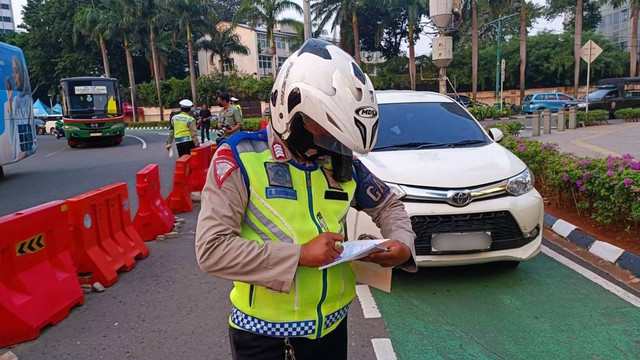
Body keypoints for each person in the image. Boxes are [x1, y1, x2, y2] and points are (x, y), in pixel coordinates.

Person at [195, 38, 417, 360]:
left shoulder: (340, 161)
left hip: (332, 330)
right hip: (265, 338)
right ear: (292, 111)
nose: (334, 144)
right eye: (325, 129)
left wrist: (401, 243)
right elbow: (211, 250)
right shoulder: (240, 158)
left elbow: (388, 204)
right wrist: (298, 254)